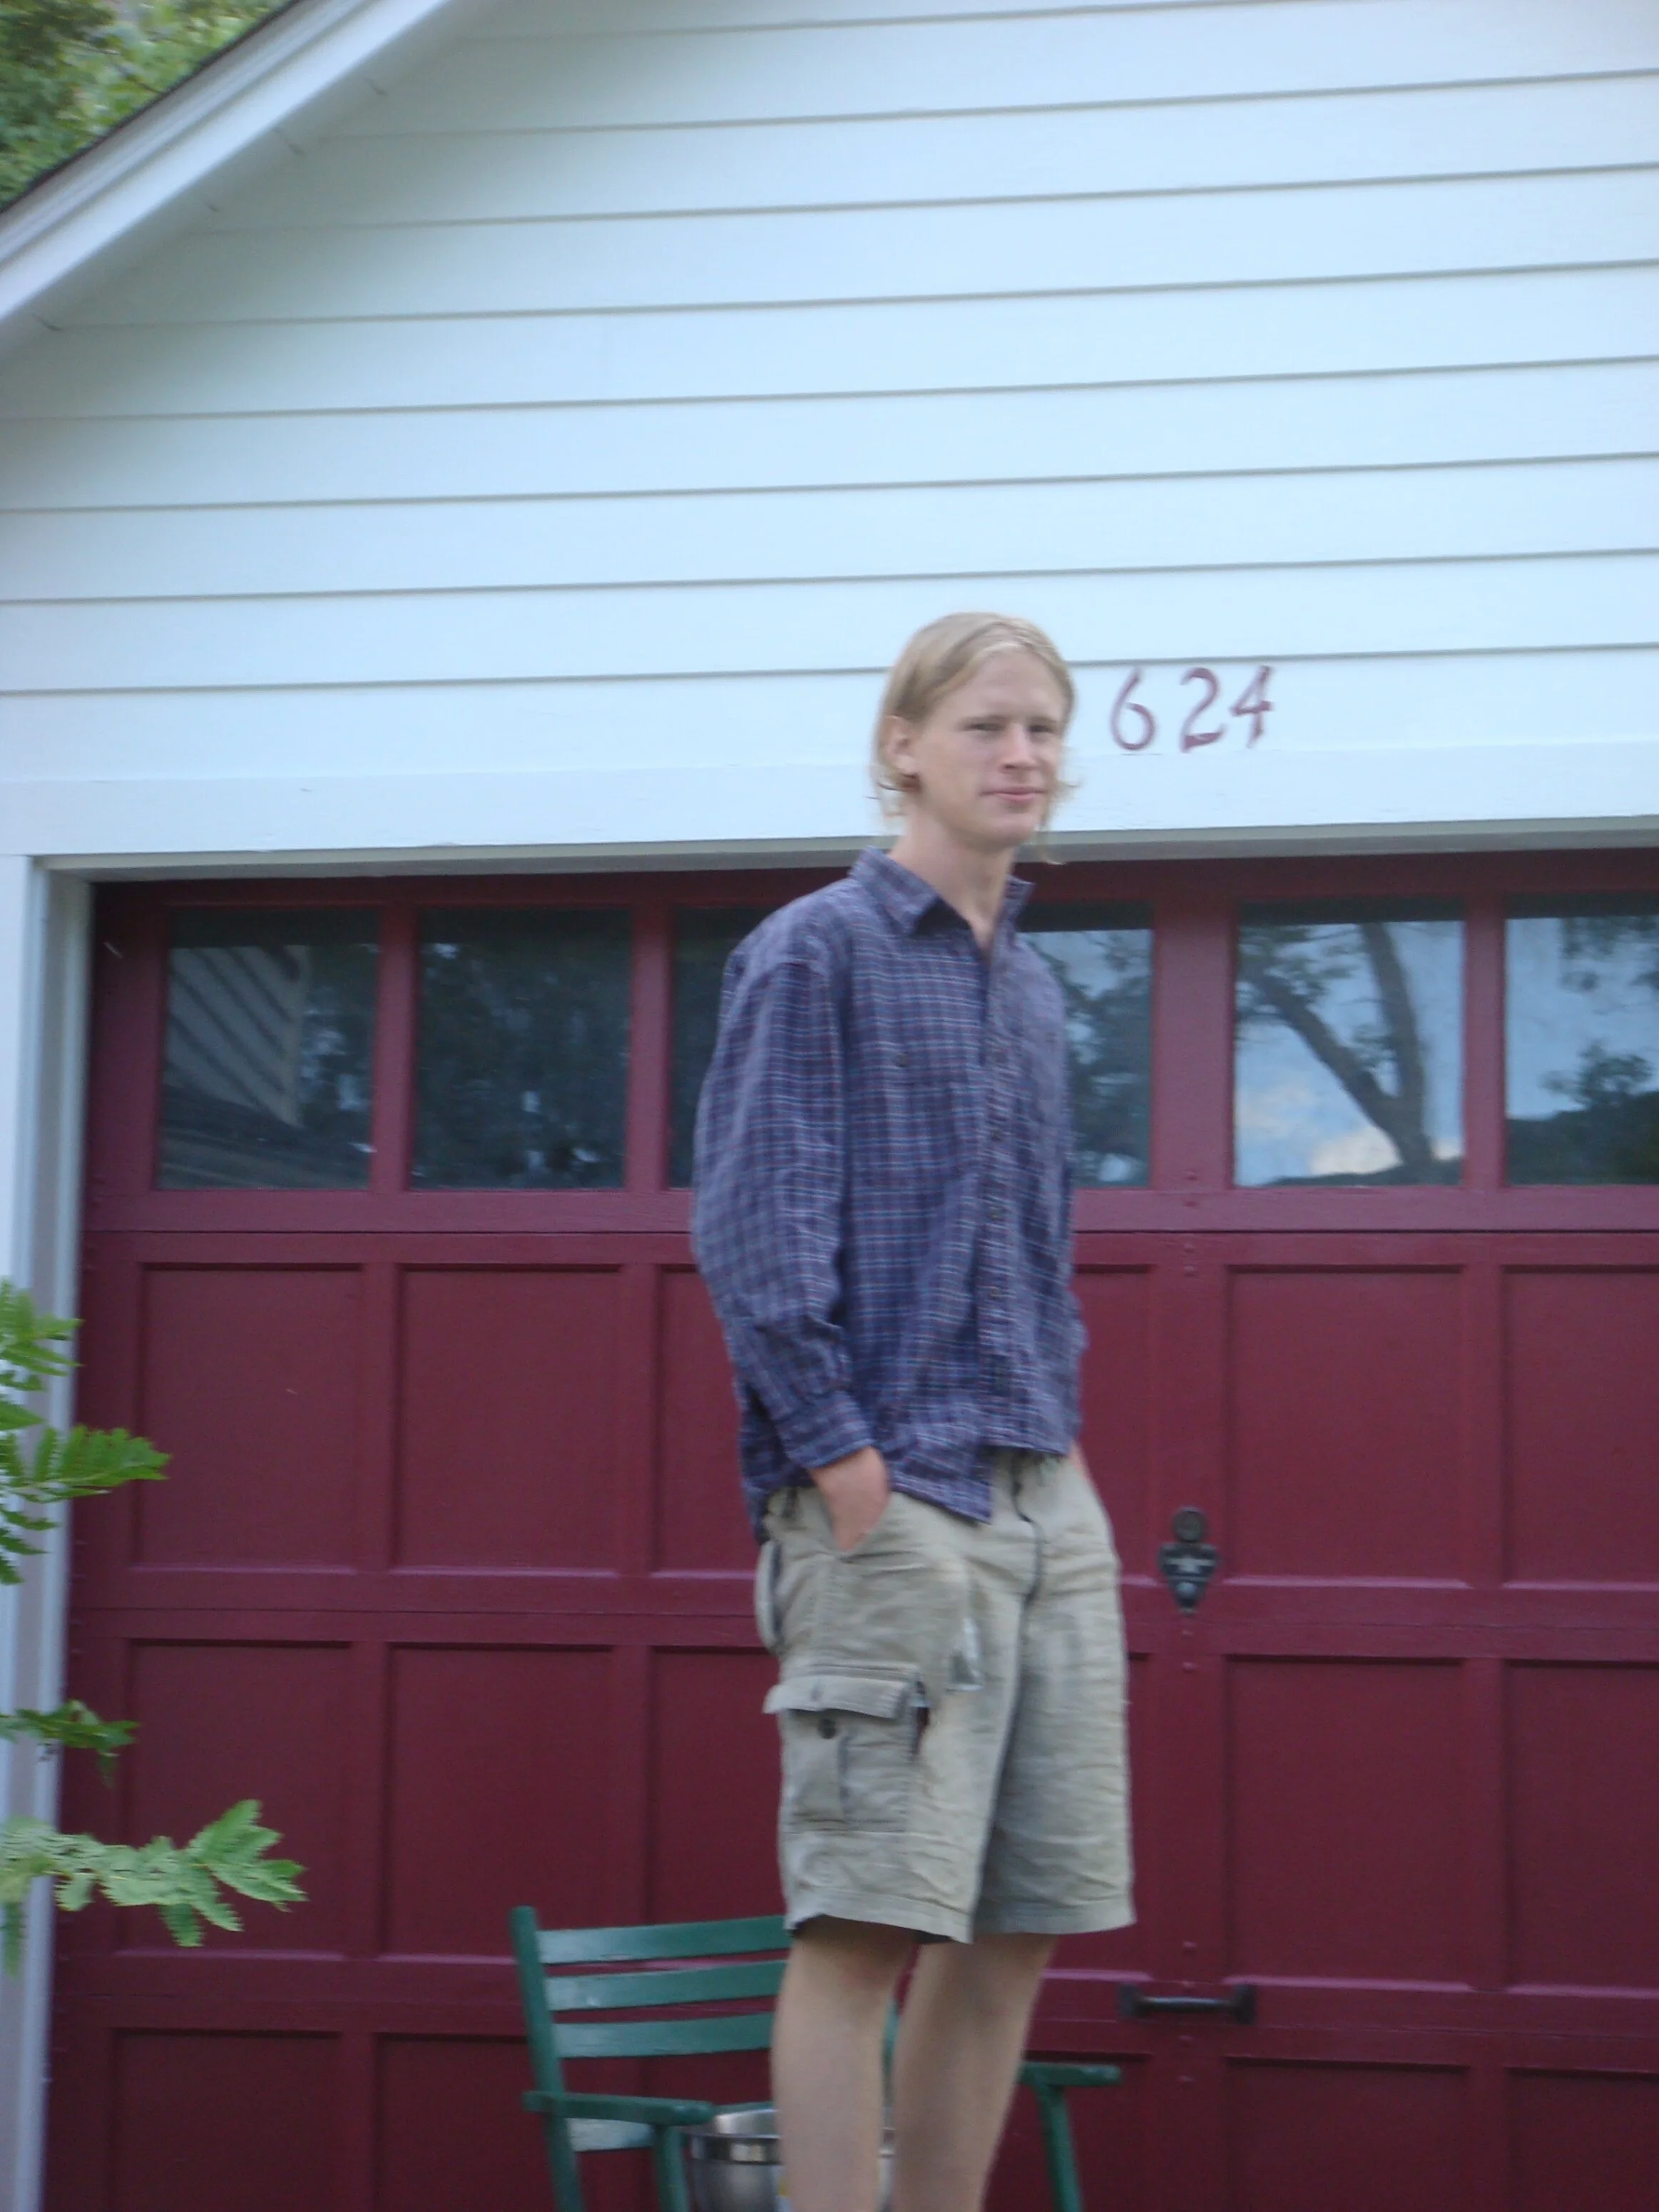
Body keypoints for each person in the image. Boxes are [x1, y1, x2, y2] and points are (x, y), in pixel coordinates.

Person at [693, 612, 1132, 2212]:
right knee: (865, 1921)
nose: (1021, 755)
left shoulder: (1035, 988)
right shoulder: (813, 948)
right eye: (986, 727)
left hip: (1036, 1485)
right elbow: (750, 1232)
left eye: (1042, 731)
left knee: (1017, 1917)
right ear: (901, 745)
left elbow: (1036, 1247)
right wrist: (844, 1462)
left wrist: (1060, 1459)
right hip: (890, 1494)